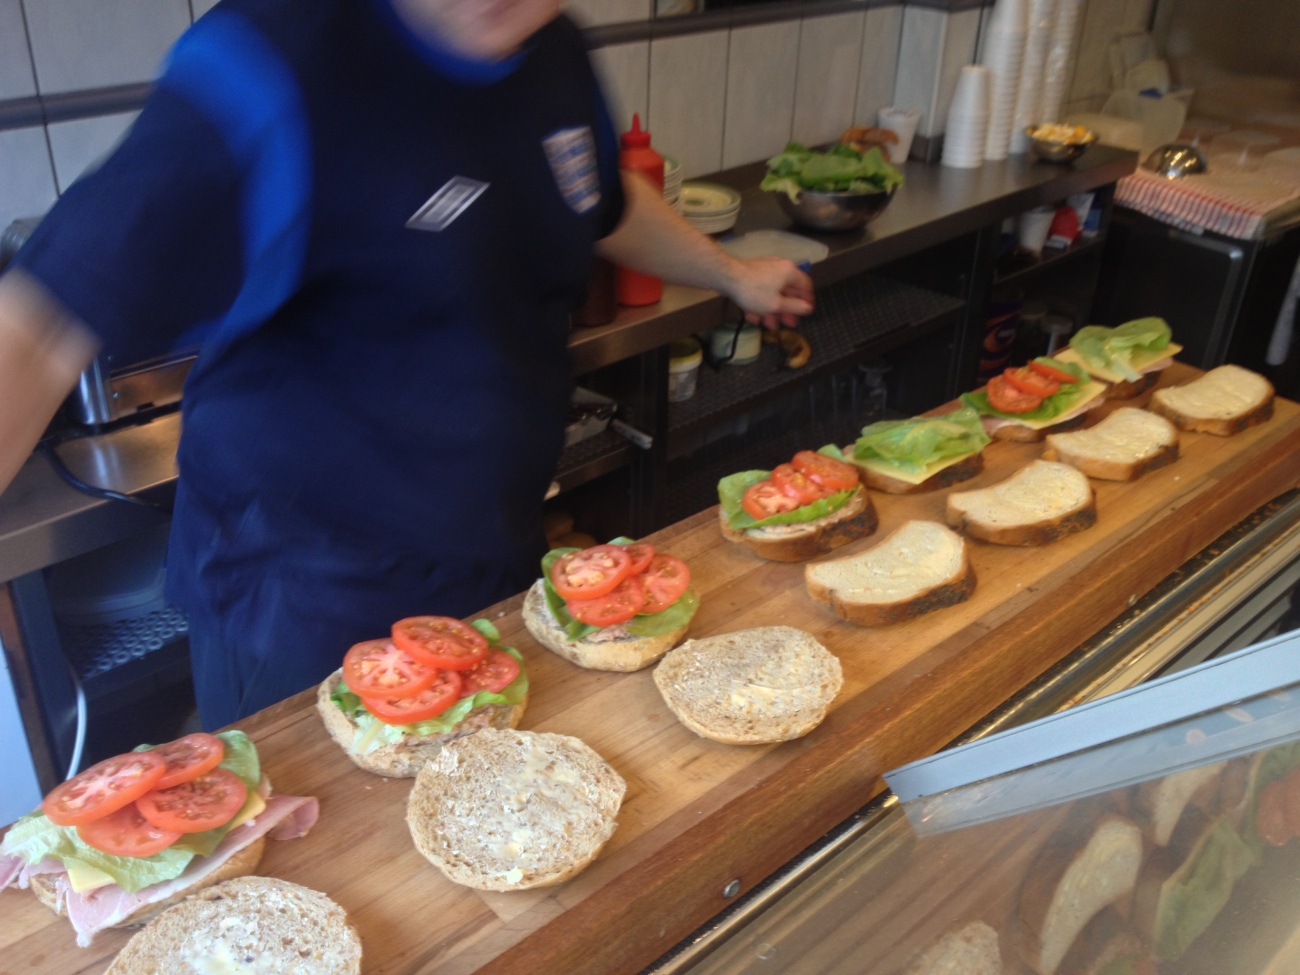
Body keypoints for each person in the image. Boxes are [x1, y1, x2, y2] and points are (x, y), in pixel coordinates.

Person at [0, 0, 813, 730]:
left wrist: (728, 272)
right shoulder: (269, 63)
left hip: (489, 557)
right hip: (302, 603)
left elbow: (597, 194)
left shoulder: (552, 48)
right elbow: (36, 328)